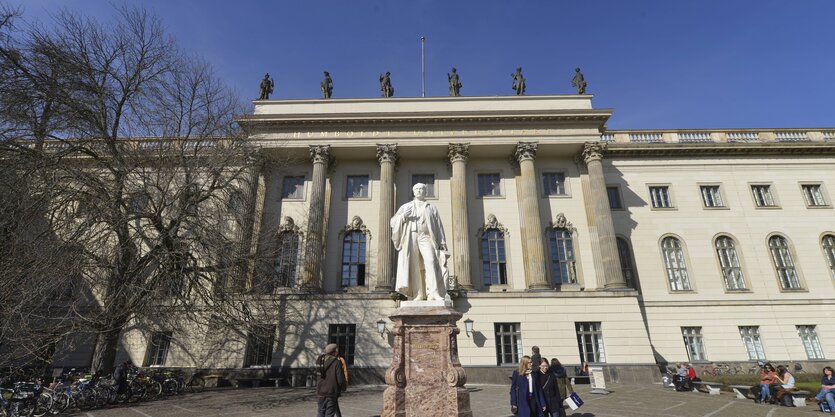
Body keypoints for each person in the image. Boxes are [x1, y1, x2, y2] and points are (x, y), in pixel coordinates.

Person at [390, 183, 449, 301]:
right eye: (417, 189)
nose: (419, 191)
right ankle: (418, 294)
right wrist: (403, 217)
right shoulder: (406, 207)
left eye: (422, 189)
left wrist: (442, 241)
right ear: (413, 192)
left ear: (425, 192)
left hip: (426, 237)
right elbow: (393, 222)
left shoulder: (431, 208)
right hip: (411, 235)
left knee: (431, 261)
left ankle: (433, 292)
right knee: (414, 265)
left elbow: (438, 226)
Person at [316, 343, 346, 417]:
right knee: (329, 414)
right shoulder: (336, 362)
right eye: (336, 351)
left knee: (320, 412)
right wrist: (343, 387)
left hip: (320, 392)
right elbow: (340, 379)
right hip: (331, 392)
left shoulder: (319, 361)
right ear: (334, 351)